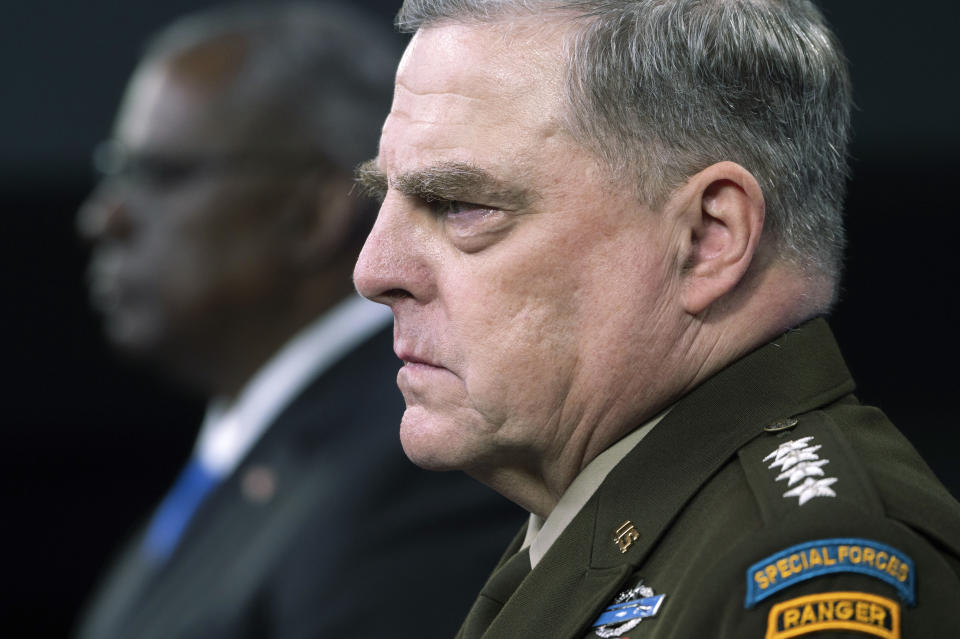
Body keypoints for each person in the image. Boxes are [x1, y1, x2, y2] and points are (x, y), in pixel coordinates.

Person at [352, 0, 960, 637]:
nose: (374, 271)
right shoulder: (612, 520)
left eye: (459, 206)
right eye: (380, 196)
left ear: (706, 238)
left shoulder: (814, 575)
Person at [74, 3, 522, 638]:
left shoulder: (416, 456)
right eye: (115, 172)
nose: (104, 219)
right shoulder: (252, 452)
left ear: (314, 213)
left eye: (160, 174)